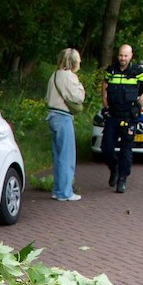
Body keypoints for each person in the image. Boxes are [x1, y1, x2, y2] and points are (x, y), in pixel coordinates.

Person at [100, 44, 143, 194]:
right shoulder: (111, 70)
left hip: (129, 116)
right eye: (120, 55)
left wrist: (142, 97)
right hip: (113, 114)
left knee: (126, 149)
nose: (122, 59)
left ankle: (122, 178)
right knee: (106, 148)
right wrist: (104, 101)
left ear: (131, 56)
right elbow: (105, 84)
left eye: (125, 56)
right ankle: (114, 168)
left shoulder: (137, 71)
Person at [46, 48, 86, 202]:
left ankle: (58, 189)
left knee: (58, 155)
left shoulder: (54, 75)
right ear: (74, 61)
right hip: (63, 117)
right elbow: (78, 97)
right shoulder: (70, 77)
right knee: (67, 156)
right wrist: (81, 86)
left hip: (53, 115)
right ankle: (65, 191)